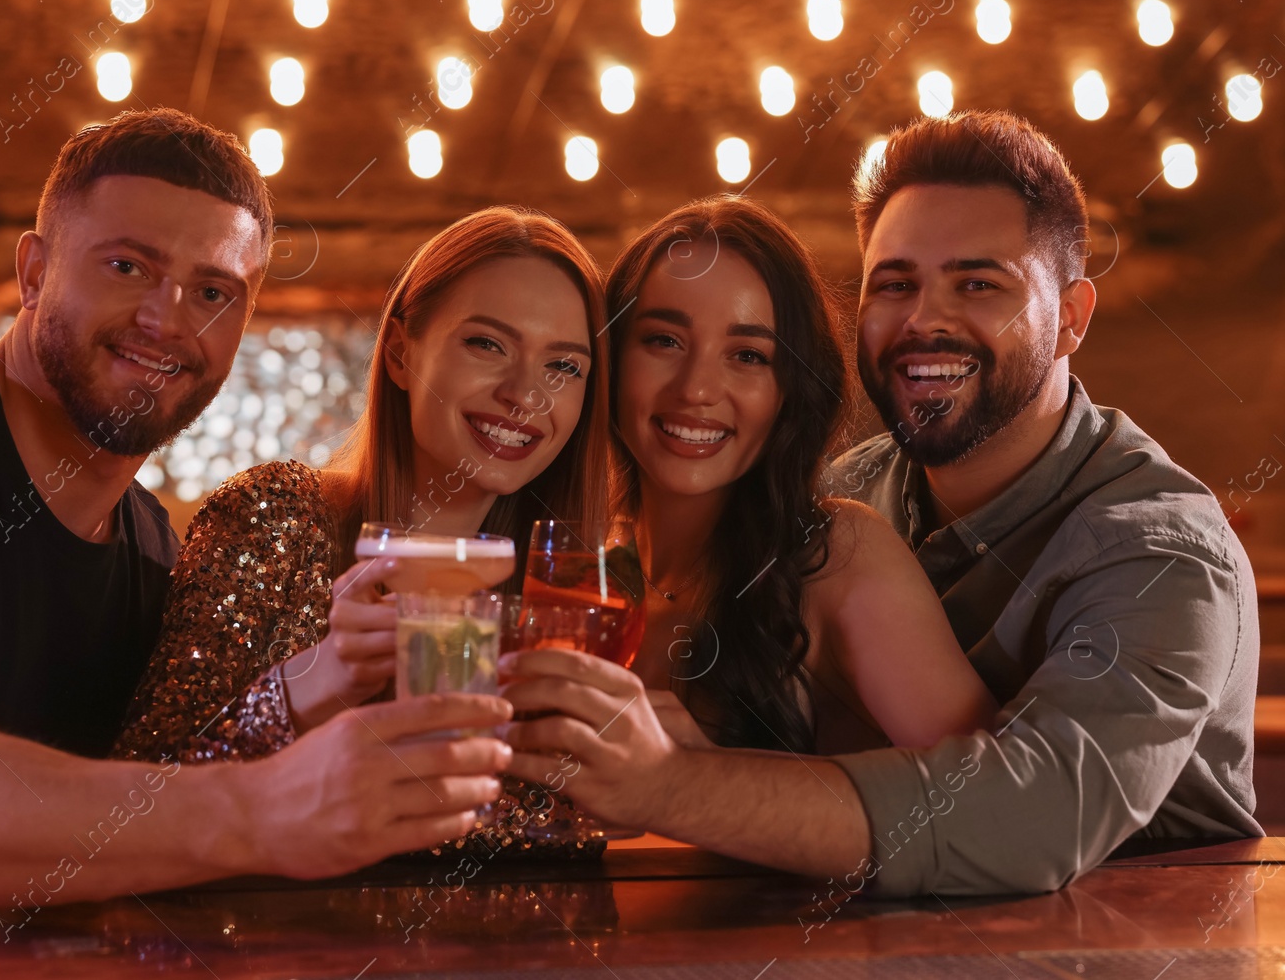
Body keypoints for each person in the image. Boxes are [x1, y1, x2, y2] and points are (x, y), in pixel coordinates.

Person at [0, 108, 512, 902]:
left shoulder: (156, 550)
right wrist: (261, 808)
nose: (166, 319)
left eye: (213, 291)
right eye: (128, 266)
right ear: (34, 270)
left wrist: (319, 684)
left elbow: (124, 814)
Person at [499, 110, 1260, 897]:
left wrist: (673, 783)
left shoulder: (1162, 553)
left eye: (977, 283)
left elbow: (1031, 816)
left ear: (1070, 317)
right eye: (895, 283)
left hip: (1141, 943)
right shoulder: (836, 493)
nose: (924, 318)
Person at [112, 205, 609, 844]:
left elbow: (584, 823)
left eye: (563, 367)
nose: (525, 394)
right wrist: (313, 683)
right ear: (401, 354)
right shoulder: (276, 515)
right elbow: (131, 799)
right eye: (487, 344)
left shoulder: (567, 593)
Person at [599, 195, 995, 758]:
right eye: (664, 341)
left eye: (748, 356)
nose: (695, 389)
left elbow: (998, 808)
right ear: (611, 358)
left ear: (791, 392)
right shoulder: (586, 568)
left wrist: (705, 780)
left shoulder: (838, 556)